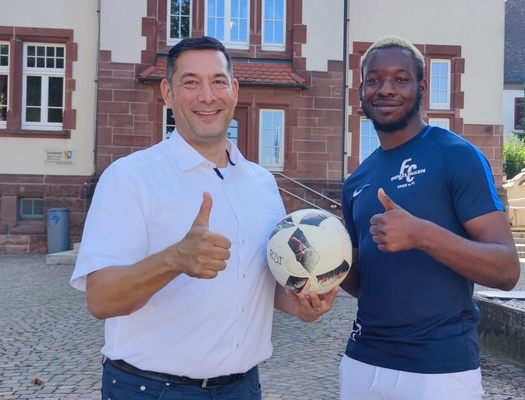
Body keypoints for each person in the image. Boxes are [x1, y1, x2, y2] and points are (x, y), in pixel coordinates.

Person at [70, 36, 337, 400]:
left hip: (243, 387)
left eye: (218, 81)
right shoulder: (130, 177)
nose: (207, 96)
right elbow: (100, 300)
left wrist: (302, 305)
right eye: (190, 83)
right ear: (167, 92)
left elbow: (260, 280)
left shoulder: (261, 183)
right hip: (152, 390)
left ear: (235, 90)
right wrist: (174, 259)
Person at [339, 35, 520, 400]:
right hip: (362, 360)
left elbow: (507, 271)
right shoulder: (356, 180)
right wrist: (323, 268)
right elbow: (364, 282)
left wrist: (422, 234)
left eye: (400, 79)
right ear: (361, 91)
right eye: (373, 80)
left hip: (439, 369)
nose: (385, 89)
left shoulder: (455, 155)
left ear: (422, 87)